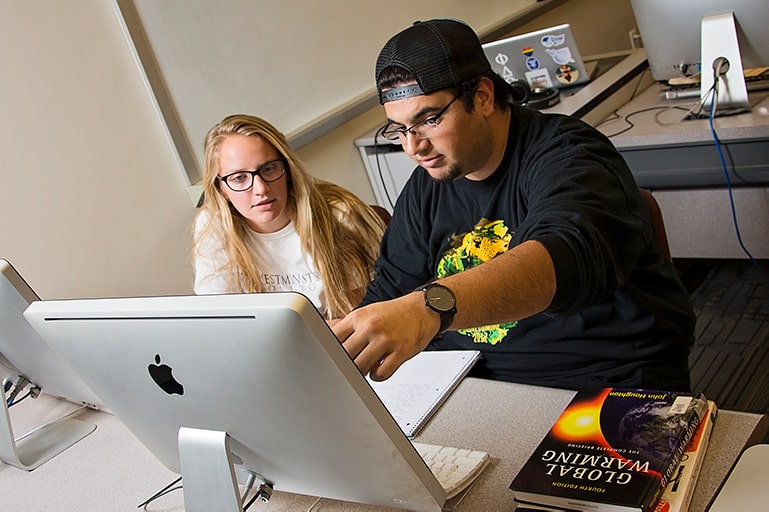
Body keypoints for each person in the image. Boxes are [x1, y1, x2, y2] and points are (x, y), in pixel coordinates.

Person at [332, 19, 695, 391]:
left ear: (483, 97)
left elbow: (562, 258)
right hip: (475, 386)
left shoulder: (570, 156)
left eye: (429, 119)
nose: (414, 147)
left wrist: (430, 308)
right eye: (400, 129)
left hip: (600, 381)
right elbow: (391, 288)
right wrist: (340, 341)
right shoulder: (427, 186)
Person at [192, 114, 386, 321]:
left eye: (268, 169)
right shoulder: (212, 225)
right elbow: (222, 321)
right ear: (220, 188)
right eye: (239, 178)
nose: (261, 189)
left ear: (287, 168)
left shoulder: (339, 217)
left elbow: (358, 323)